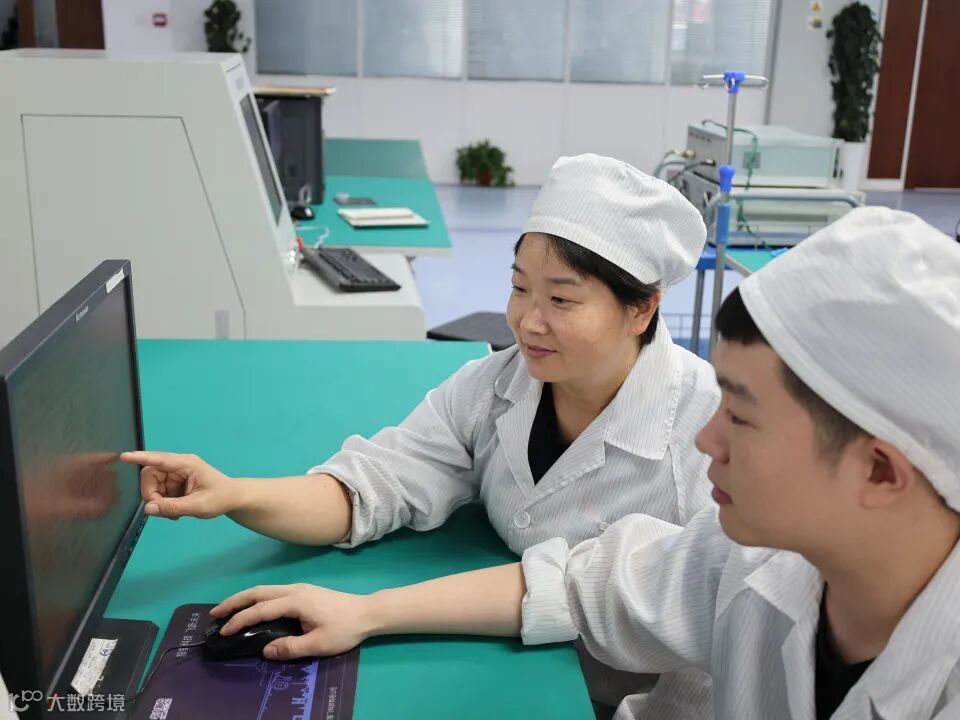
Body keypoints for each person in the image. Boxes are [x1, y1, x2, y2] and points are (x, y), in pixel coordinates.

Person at [204, 207, 960, 720]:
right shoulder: (747, 561)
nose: (708, 440)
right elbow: (577, 584)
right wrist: (365, 613)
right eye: (520, 288)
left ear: (880, 471)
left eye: (742, 417)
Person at [123, 154, 721, 718]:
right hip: (509, 660)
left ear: (641, 310)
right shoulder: (496, 384)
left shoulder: (707, 442)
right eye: (519, 289)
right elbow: (377, 482)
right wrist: (234, 493)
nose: (528, 322)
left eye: (561, 299)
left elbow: (710, 661)